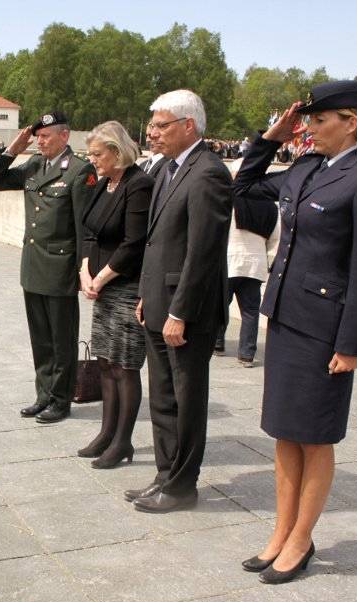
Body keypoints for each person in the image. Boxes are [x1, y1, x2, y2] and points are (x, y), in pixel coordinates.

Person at [233, 80, 357, 583]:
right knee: (284, 432)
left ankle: (301, 541)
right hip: (286, 318)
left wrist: (350, 345)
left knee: (315, 439)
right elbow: (242, 189)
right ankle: (281, 533)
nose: (309, 128)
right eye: (307, 120)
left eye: (318, 120)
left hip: (325, 329)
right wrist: (269, 139)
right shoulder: (304, 168)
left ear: (350, 121)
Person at [125, 90, 232, 514]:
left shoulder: (208, 173)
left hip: (185, 311)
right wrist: (145, 296)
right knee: (163, 398)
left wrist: (178, 312)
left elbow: (203, 253)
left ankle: (183, 484)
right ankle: (165, 474)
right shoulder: (169, 169)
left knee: (186, 399)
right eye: (151, 126)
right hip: (157, 301)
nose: (152, 133)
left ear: (189, 126)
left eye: (160, 125)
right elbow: (159, 243)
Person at [0, 111, 96, 423]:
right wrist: (12, 150)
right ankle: (43, 394)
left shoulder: (79, 170)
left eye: (45, 136)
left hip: (60, 268)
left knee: (61, 339)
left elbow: (82, 228)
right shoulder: (34, 165)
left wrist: (81, 271)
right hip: (33, 266)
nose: (40, 141)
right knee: (41, 339)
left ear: (64, 136)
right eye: (37, 136)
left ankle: (61, 400)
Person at [78, 121, 153, 467]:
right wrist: (85, 272)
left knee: (124, 366)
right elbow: (89, 231)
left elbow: (133, 244)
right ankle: (106, 433)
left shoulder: (138, 184)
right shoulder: (105, 184)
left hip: (125, 286)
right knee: (106, 362)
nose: (91, 159)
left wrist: (102, 278)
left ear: (116, 150)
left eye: (96, 153)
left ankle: (123, 440)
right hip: (101, 286)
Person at [215, 159, 280, 366]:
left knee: (220, 306)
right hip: (255, 263)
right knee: (250, 311)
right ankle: (247, 353)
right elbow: (276, 237)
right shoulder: (270, 204)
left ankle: (217, 343)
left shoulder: (227, 199)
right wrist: (267, 257)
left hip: (229, 260)